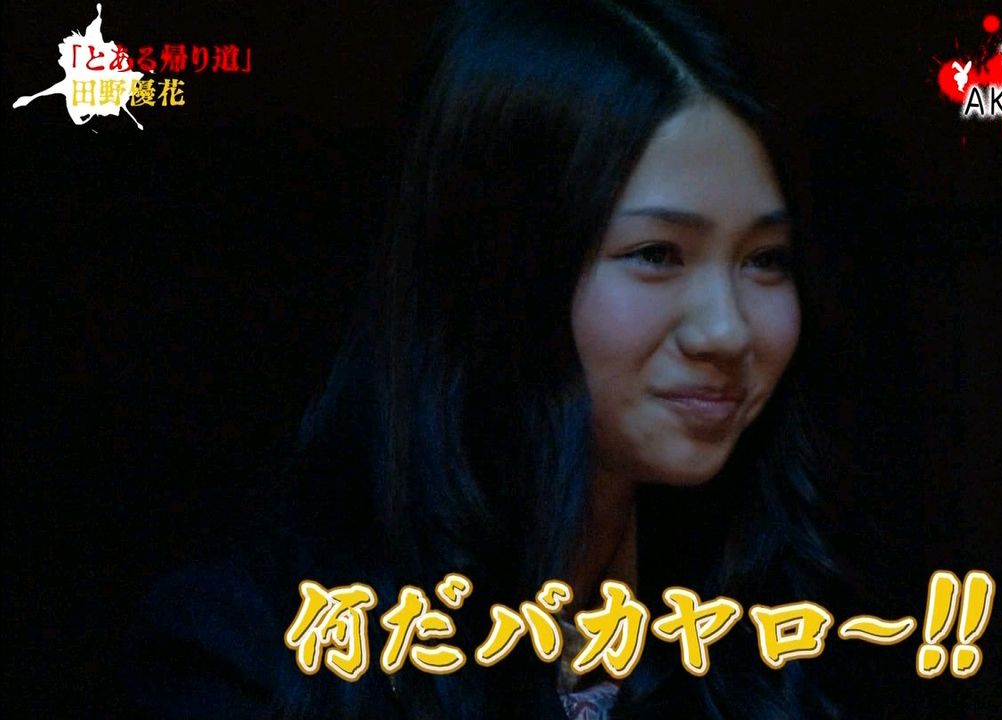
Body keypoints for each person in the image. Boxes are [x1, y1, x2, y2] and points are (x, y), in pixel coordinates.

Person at [131, 1, 841, 717]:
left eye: (764, 259)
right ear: (495, 269)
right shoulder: (257, 647)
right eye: (656, 254)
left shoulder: (770, 613)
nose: (727, 331)